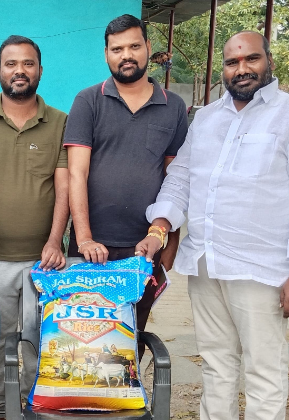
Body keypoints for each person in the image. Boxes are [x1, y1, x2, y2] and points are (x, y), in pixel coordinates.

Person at [136, 31, 289, 420]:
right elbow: (181, 178)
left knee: (265, 372)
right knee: (217, 366)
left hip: (263, 268)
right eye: (232, 62)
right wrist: (160, 227)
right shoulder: (205, 119)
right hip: (205, 262)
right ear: (222, 68)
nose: (242, 69)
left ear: (267, 61)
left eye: (251, 59)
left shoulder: (285, 114)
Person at [0, 35, 70, 419]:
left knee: (40, 345)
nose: (19, 71)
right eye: (11, 64)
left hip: (45, 263)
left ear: (40, 70)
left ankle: (34, 411)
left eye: (27, 64)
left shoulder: (60, 122)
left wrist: (56, 242)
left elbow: (63, 187)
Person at [65, 15, 187, 352]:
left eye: (134, 46)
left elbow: (176, 178)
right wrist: (84, 237)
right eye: (117, 49)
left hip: (144, 249)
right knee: (82, 342)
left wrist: (168, 241)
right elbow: (77, 173)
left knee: (129, 343)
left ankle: (127, 401)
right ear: (106, 54)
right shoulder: (88, 101)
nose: (126, 55)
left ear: (148, 47)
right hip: (92, 252)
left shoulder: (173, 107)